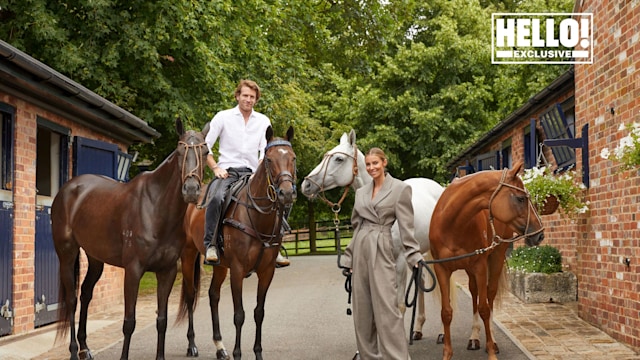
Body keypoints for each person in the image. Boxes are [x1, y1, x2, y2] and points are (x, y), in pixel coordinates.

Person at [339, 147, 422, 360]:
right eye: (368, 164)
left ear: (384, 162)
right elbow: (357, 227)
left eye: (375, 163)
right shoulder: (361, 192)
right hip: (361, 250)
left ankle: (396, 357)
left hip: (382, 247)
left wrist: (413, 256)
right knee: (362, 312)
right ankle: (368, 356)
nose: (371, 167)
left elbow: (406, 227)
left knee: (388, 310)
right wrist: (349, 257)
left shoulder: (399, 189)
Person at [203, 79, 290, 267]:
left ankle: (275, 246)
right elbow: (206, 146)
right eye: (245, 96)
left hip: (254, 173)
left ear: (256, 100)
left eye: (252, 97)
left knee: (282, 198)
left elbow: (264, 151)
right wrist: (215, 168)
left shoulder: (263, 121)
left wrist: (258, 172)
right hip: (227, 171)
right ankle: (211, 244)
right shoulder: (222, 117)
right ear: (237, 96)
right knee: (217, 197)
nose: (248, 100)